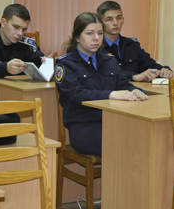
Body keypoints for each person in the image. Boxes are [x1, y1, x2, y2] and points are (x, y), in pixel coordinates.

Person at [55, 12, 148, 156]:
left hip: (112, 121)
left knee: (143, 136)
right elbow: (77, 94)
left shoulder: (109, 61)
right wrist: (110, 95)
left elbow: (123, 84)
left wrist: (135, 90)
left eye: (99, 33)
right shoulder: (65, 64)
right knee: (122, 143)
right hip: (83, 125)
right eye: (90, 33)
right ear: (77, 37)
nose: (96, 38)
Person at [96, 0, 173, 82]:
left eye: (118, 18)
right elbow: (102, 71)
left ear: (123, 19)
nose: (115, 23)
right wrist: (133, 76)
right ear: (100, 23)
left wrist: (164, 70)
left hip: (135, 89)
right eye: (109, 19)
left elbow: (151, 65)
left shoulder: (132, 46)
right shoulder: (95, 47)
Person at [0, 4, 47, 80]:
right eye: (16, 27)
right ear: (3, 22)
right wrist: (5, 68)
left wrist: (46, 63)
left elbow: (38, 61)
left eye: (24, 29)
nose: (20, 33)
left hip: (19, 87)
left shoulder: (26, 42)